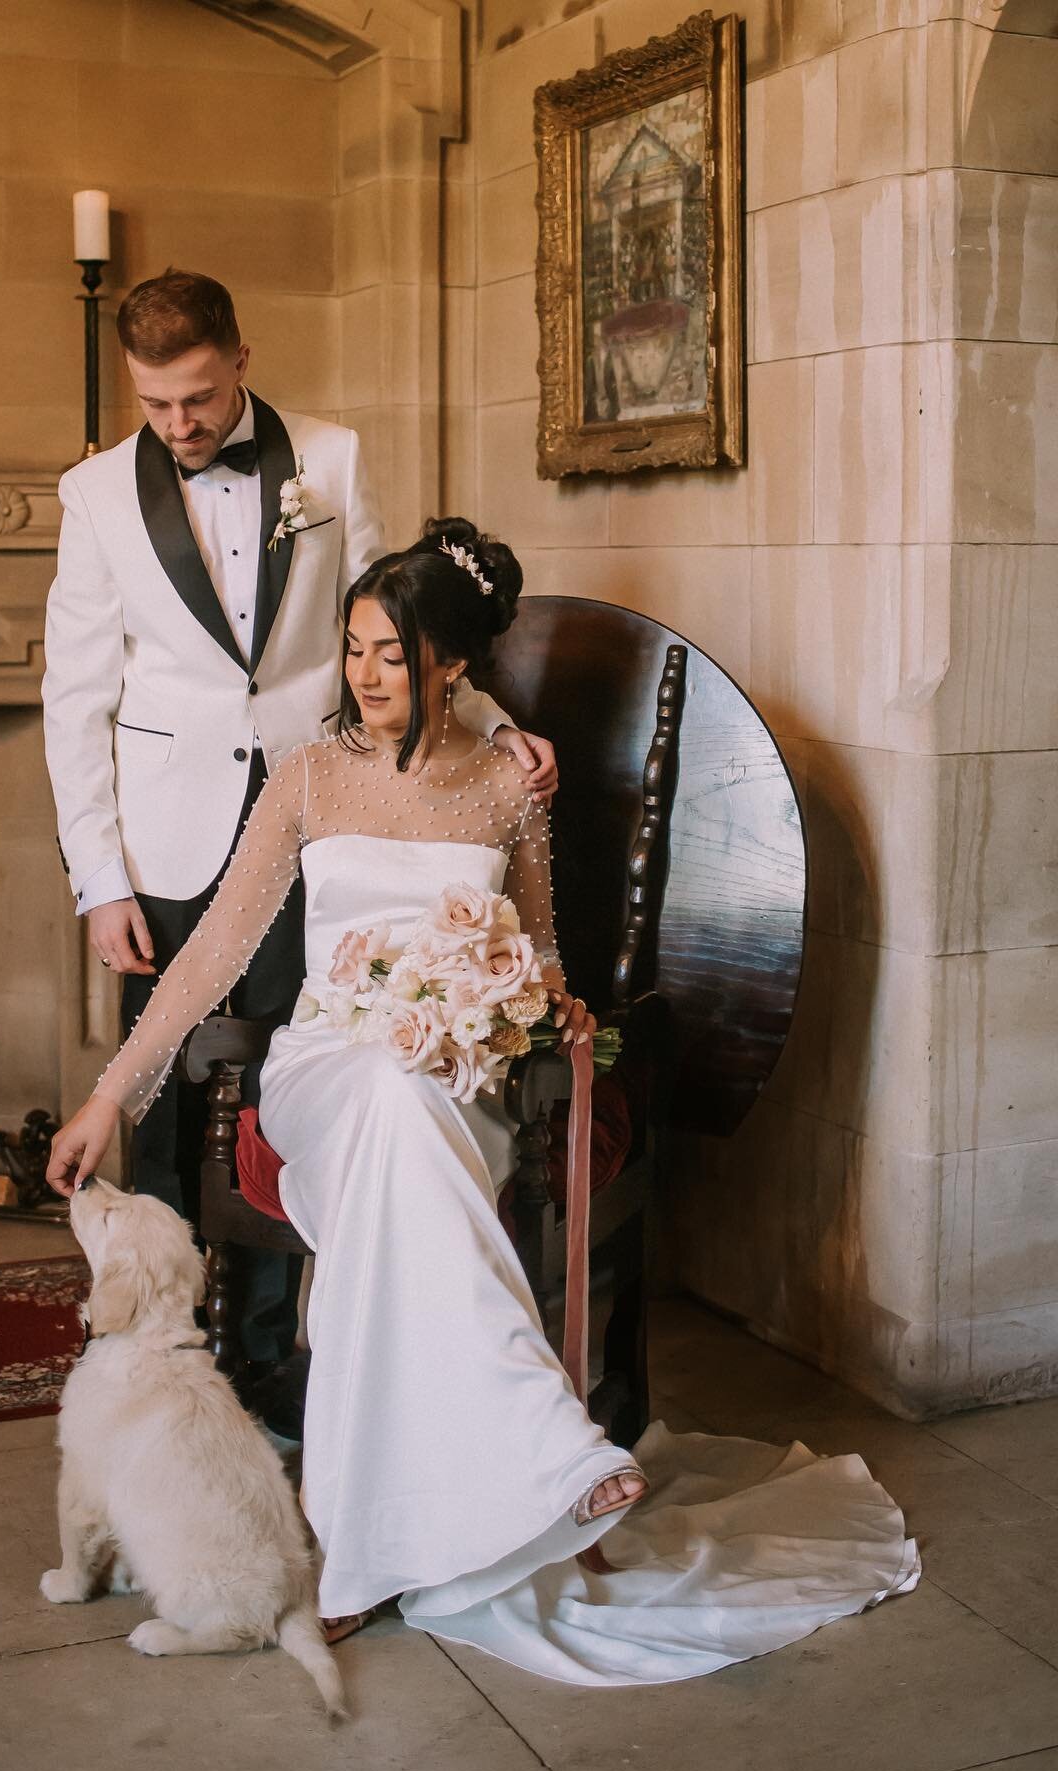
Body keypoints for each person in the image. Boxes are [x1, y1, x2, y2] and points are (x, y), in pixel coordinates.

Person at [46, 518, 920, 1685]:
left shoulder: (511, 787)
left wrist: (538, 1003)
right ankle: (547, 1441)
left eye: (392, 654)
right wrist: (110, 1096)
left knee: (400, 1149)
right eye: (353, 647)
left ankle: (355, 1557)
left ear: (451, 663)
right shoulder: (306, 775)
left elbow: (544, 956)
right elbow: (206, 960)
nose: (364, 673)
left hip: (459, 1071)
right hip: (323, 1065)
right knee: (381, 1111)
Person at [43, 271, 554, 1385]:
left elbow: (400, 621)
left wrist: (503, 731)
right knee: (174, 1086)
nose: (179, 425)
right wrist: (99, 878)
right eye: (155, 404)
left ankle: (273, 1356)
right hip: (163, 835)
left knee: (284, 1075)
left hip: (322, 813)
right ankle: (163, 1360)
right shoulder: (92, 496)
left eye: (198, 398)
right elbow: (74, 696)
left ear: (240, 357)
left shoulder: (330, 459)